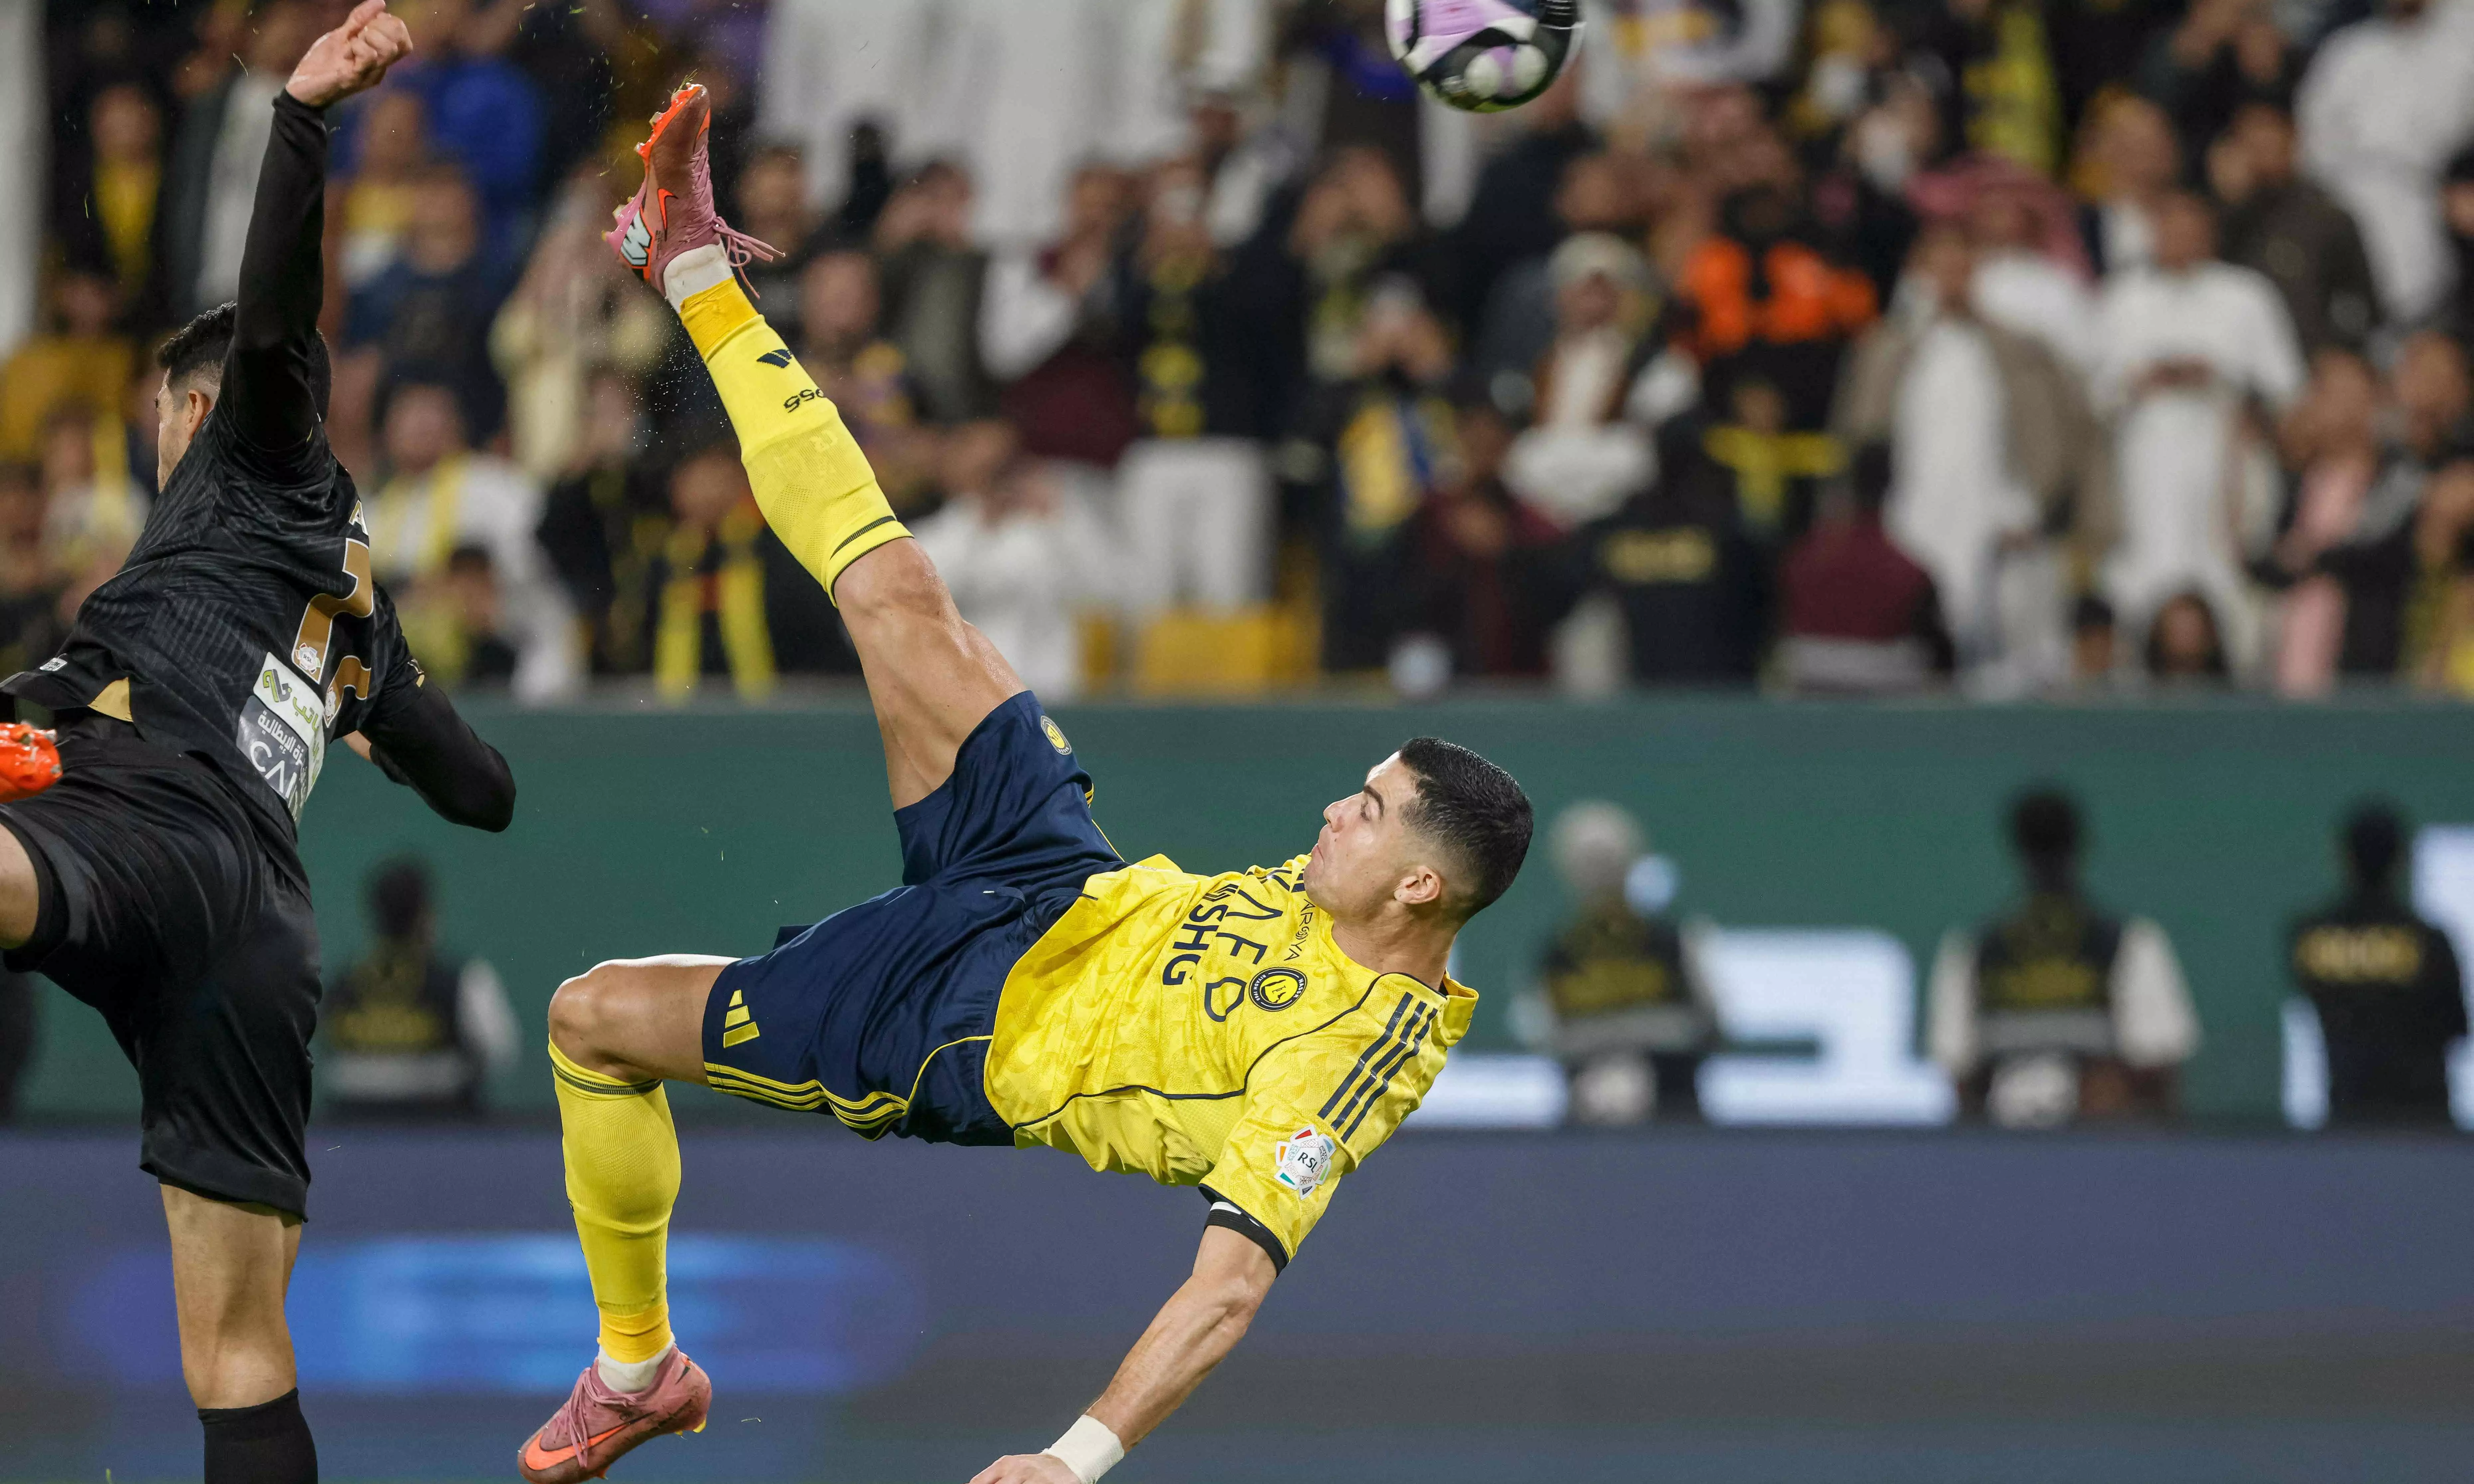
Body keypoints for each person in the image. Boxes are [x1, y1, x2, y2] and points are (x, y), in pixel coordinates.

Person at [517, 85, 1533, 1484]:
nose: (1331, 810)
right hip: (1061, 873)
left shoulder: (1353, 1054)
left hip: (957, 1025)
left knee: (591, 1016)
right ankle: (685, 256)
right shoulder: (1334, 894)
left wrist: (1075, 1457)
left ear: (1423, 883)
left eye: (1366, 811)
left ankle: (637, 1370)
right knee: (899, 590)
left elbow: (1230, 1287)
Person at [0, 9, 512, 1484]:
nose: (154, 444)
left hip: (142, 830)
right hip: (253, 937)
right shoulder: (354, 619)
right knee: (238, 1361)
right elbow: (486, 794)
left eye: (161, 416)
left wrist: (300, 119)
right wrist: (382, 695)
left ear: (196, 409)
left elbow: (278, 320)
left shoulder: (254, 459)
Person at [1927, 789, 2201, 1128]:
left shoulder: (2128, 943)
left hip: (2099, 1150)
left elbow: (2158, 1069)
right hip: (2008, 1149)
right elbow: (1960, 1080)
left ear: (2016, 849)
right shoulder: (1975, 950)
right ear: (2081, 845)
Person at [1532, 801, 1720, 1125]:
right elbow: (1548, 1035)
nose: (1598, 869)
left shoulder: (1669, 941)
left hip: (1675, 1115)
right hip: (1583, 1123)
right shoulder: (1558, 953)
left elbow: (1711, 1025)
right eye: (1587, 859)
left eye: (1607, 857)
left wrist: (1626, 1036)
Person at [2291, 802, 2467, 1128]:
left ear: (2343, 857)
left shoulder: (2309, 935)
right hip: (2423, 1123)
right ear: (2401, 859)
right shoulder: (2428, 940)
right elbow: (2455, 1026)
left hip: (2348, 1115)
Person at [324, 856, 517, 1116]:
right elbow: (499, 1052)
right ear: (425, 916)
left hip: (351, 1129)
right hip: (443, 1132)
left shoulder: (341, 983)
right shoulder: (463, 979)